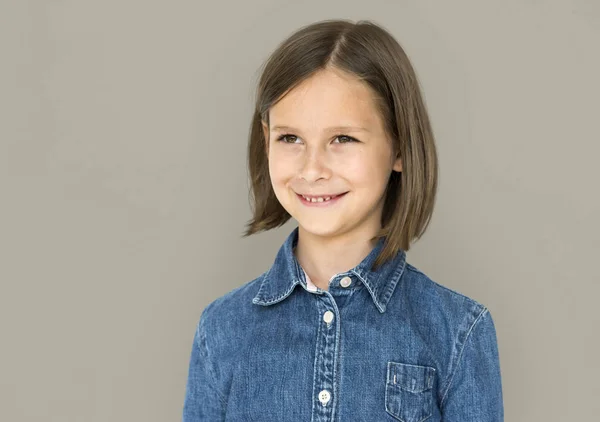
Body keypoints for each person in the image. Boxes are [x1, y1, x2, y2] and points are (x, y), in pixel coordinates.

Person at [182, 19, 504, 421]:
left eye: (343, 139)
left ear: (399, 147)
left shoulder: (457, 331)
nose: (312, 168)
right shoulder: (222, 329)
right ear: (266, 141)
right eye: (290, 138)